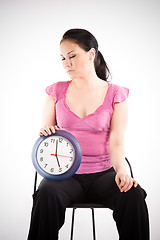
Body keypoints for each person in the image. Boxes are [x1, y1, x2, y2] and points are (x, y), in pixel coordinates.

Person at [27, 28, 149, 240]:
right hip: (64, 176)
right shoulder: (55, 91)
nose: (66, 63)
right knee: (46, 192)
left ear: (91, 54)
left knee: (133, 194)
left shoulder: (116, 94)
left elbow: (117, 141)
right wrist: (45, 133)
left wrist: (121, 171)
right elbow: (47, 139)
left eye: (72, 56)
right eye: (63, 58)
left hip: (103, 174)